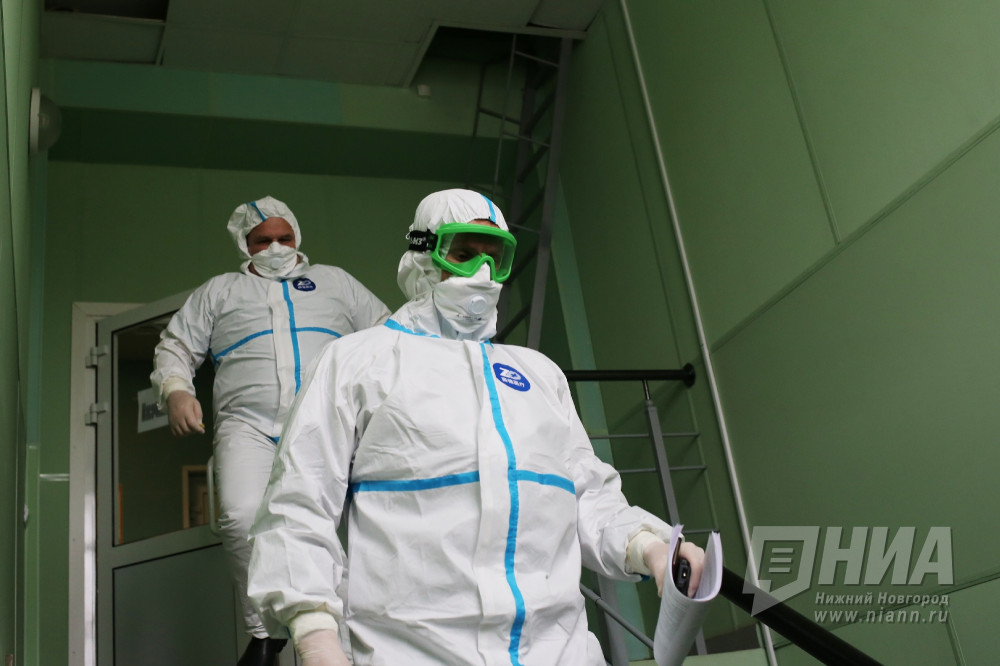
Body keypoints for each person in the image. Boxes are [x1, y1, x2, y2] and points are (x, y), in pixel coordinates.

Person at [247, 189, 707, 666]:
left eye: (495, 258)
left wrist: (650, 546)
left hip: (560, 652)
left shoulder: (538, 373)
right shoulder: (355, 362)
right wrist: (316, 636)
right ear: (422, 256)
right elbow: (297, 504)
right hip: (412, 654)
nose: (482, 274)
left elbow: (586, 493)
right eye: (463, 253)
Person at [151, 196, 391, 666]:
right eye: (263, 240)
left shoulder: (335, 282)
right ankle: (267, 632)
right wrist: (176, 390)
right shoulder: (220, 291)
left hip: (327, 426)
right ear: (245, 244)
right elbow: (176, 345)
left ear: (297, 237)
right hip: (247, 426)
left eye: (285, 237)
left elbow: (386, 333)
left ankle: (340, 649)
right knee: (241, 516)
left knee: (337, 534)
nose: (276, 247)